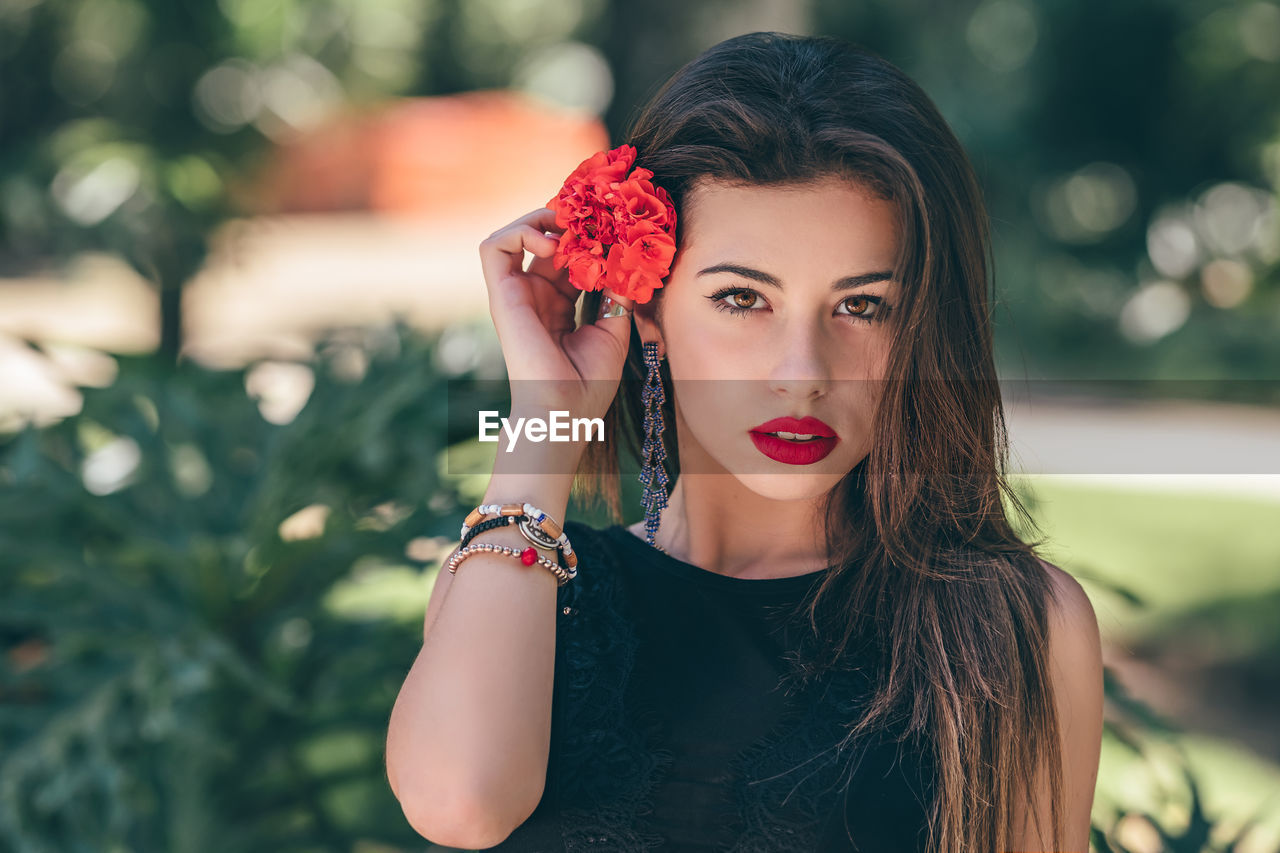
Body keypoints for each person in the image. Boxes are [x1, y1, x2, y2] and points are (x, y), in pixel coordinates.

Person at [385, 30, 1104, 853]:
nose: (802, 372)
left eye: (862, 306)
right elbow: (456, 804)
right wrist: (545, 424)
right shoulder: (524, 584)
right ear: (645, 308)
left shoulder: (1012, 626)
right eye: (741, 299)